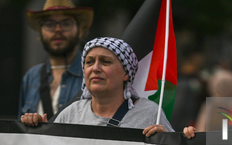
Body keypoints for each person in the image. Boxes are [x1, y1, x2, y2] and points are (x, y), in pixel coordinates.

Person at [22, 37, 174, 137]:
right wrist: (36, 131)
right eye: (89, 62)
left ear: (126, 74)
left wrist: (168, 141)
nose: (95, 68)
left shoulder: (150, 113)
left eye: (105, 62)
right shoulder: (71, 114)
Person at [18, 0, 93, 120]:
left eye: (66, 23)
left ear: (80, 30)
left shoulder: (93, 73)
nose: (58, 29)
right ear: (40, 32)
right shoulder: (31, 77)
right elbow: (21, 132)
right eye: (49, 24)